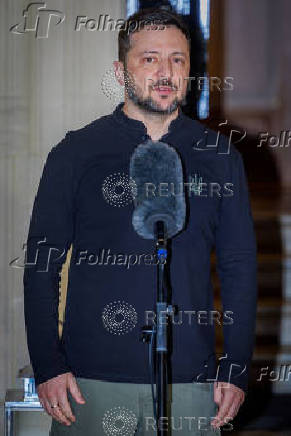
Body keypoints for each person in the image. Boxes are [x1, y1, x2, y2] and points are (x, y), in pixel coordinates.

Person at [23, 7, 257, 436]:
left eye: (178, 59)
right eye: (149, 59)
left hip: (190, 383)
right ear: (120, 70)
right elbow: (41, 264)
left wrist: (236, 366)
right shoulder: (76, 153)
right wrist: (47, 364)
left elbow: (239, 268)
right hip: (88, 386)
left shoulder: (221, 158)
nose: (166, 72)